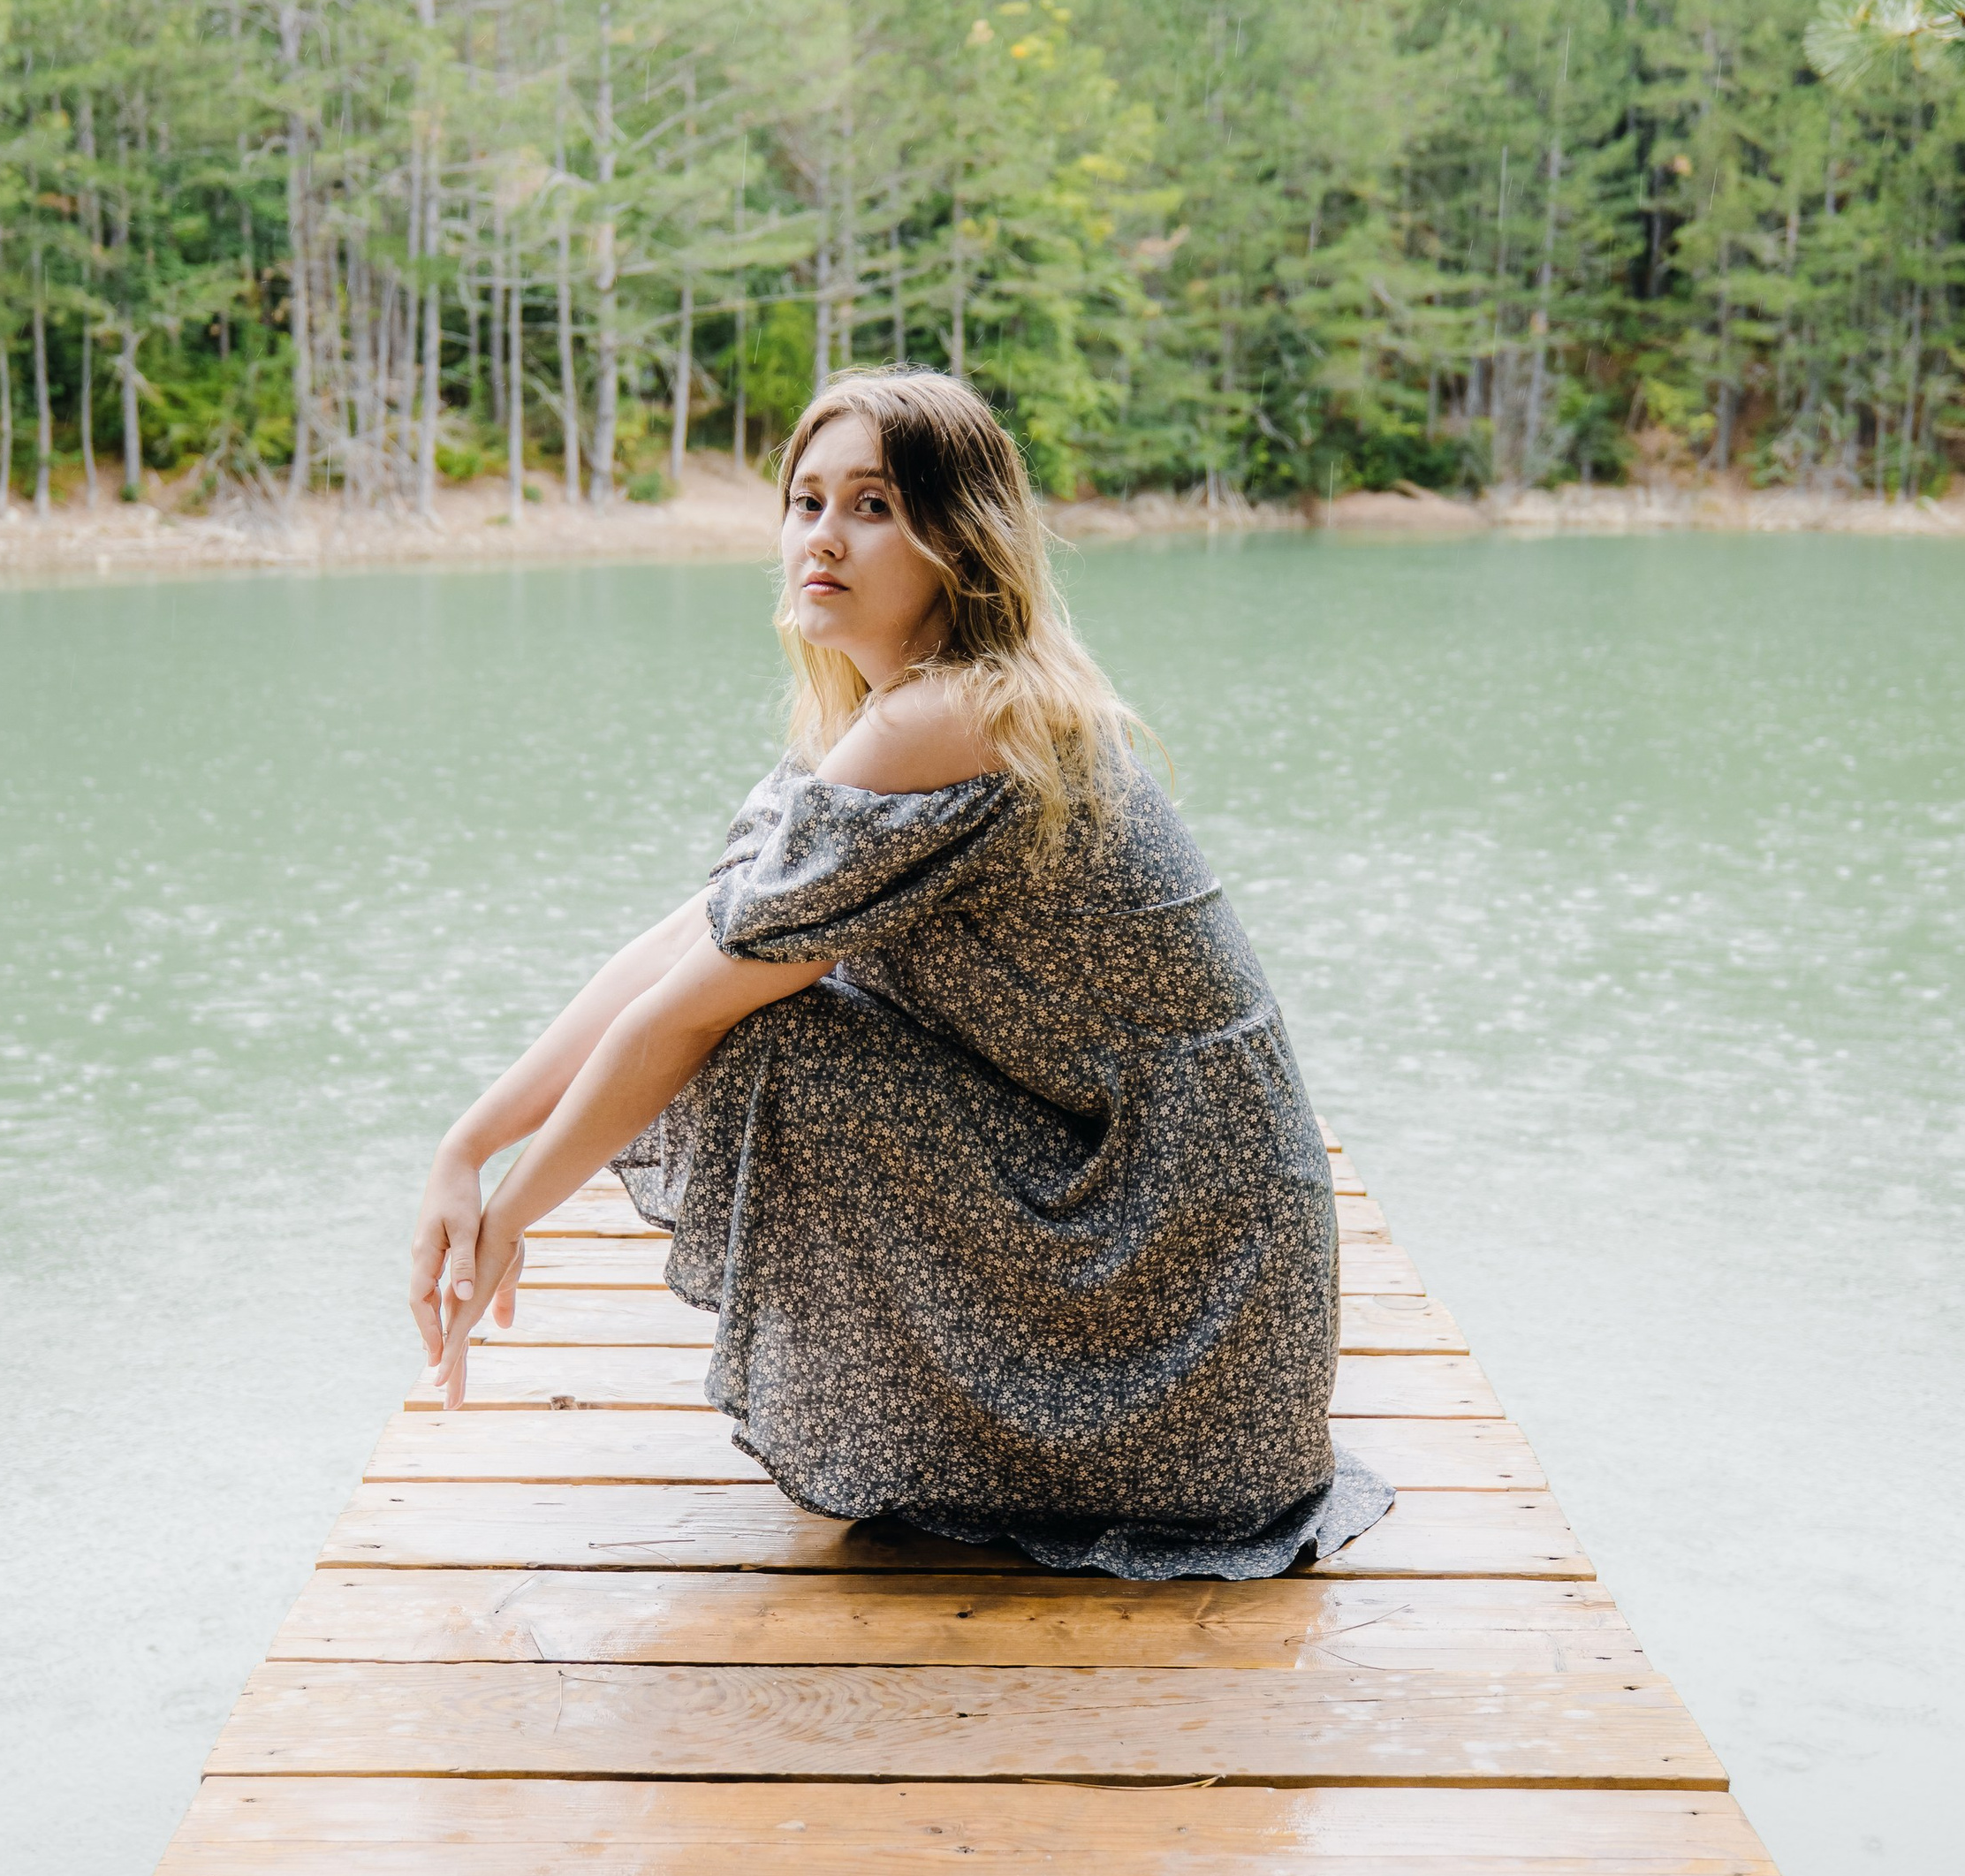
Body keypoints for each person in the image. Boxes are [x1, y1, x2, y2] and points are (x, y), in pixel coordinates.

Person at [408, 368, 1388, 1581]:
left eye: (872, 506)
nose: (823, 537)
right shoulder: (887, 717)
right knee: (770, 995)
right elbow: (684, 942)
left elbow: (685, 1015)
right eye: (806, 501)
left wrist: (508, 1215)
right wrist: (468, 1145)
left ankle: (968, 1438)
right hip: (1189, 1242)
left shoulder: (955, 717)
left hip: (1194, 1277)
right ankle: (951, 1429)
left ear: (958, 541)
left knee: (768, 1028)